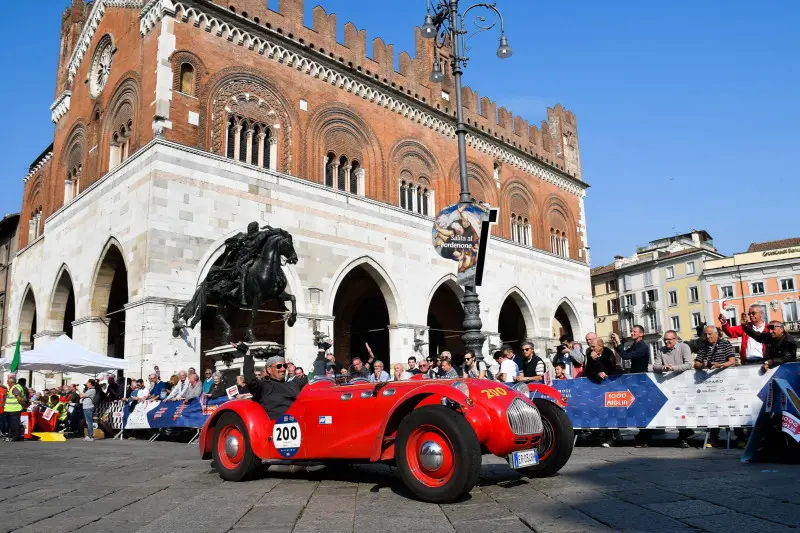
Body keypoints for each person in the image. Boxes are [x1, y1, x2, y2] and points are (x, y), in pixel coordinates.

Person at [643, 331, 695, 448]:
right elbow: (655, 366)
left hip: (683, 384)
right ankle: (685, 434)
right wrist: (663, 367)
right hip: (667, 386)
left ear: (675, 339)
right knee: (672, 411)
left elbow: (689, 364)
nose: (667, 342)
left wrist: (673, 368)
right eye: (665, 340)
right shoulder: (661, 350)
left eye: (669, 340)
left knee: (681, 411)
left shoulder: (684, 347)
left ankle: (684, 436)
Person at [694, 325, 736, 447]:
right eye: (705, 334)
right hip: (710, 385)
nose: (707, 336)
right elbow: (696, 363)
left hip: (726, 382)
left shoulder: (725, 344)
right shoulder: (704, 347)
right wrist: (702, 365)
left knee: (733, 408)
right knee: (713, 410)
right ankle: (713, 438)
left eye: (709, 334)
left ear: (716, 334)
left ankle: (740, 437)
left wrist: (720, 365)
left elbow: (732, 362)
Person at [243, 350, 305, 420]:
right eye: (279, 366)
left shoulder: (293, 384)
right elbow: (250, 380)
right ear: (269, 370)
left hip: (300, 420)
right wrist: (247, 355)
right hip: (275, 424)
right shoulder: (264, 385)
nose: (283, 369)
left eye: (284, 366)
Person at [4, 374, 26, 442]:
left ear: (11, 382)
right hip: (11, 409)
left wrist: (23, 404)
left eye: (8, 382)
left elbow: (18, 398)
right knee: (12, 424)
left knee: (15, 424)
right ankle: (13, 436)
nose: (7, 383)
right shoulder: (15, 387)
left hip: (14, 409)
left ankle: (15, 437)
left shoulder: (15, 388)